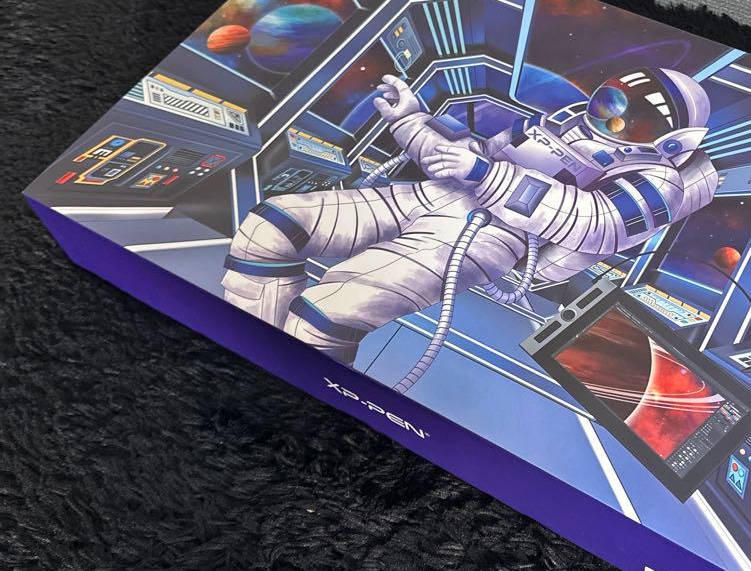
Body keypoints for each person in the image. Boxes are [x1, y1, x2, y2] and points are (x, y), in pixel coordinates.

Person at [222, 68, 718, 366]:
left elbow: (597, 221)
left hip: (490, 237)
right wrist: (411, 121)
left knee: (326, 313)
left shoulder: (658, 180)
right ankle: (251, 351)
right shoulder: (559, 122)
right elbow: (467, 157)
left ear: (673, 140)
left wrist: (486, 174)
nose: (612, 117)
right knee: (270, 227)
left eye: (633, 117)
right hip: (433, 194)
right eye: (611, 102)